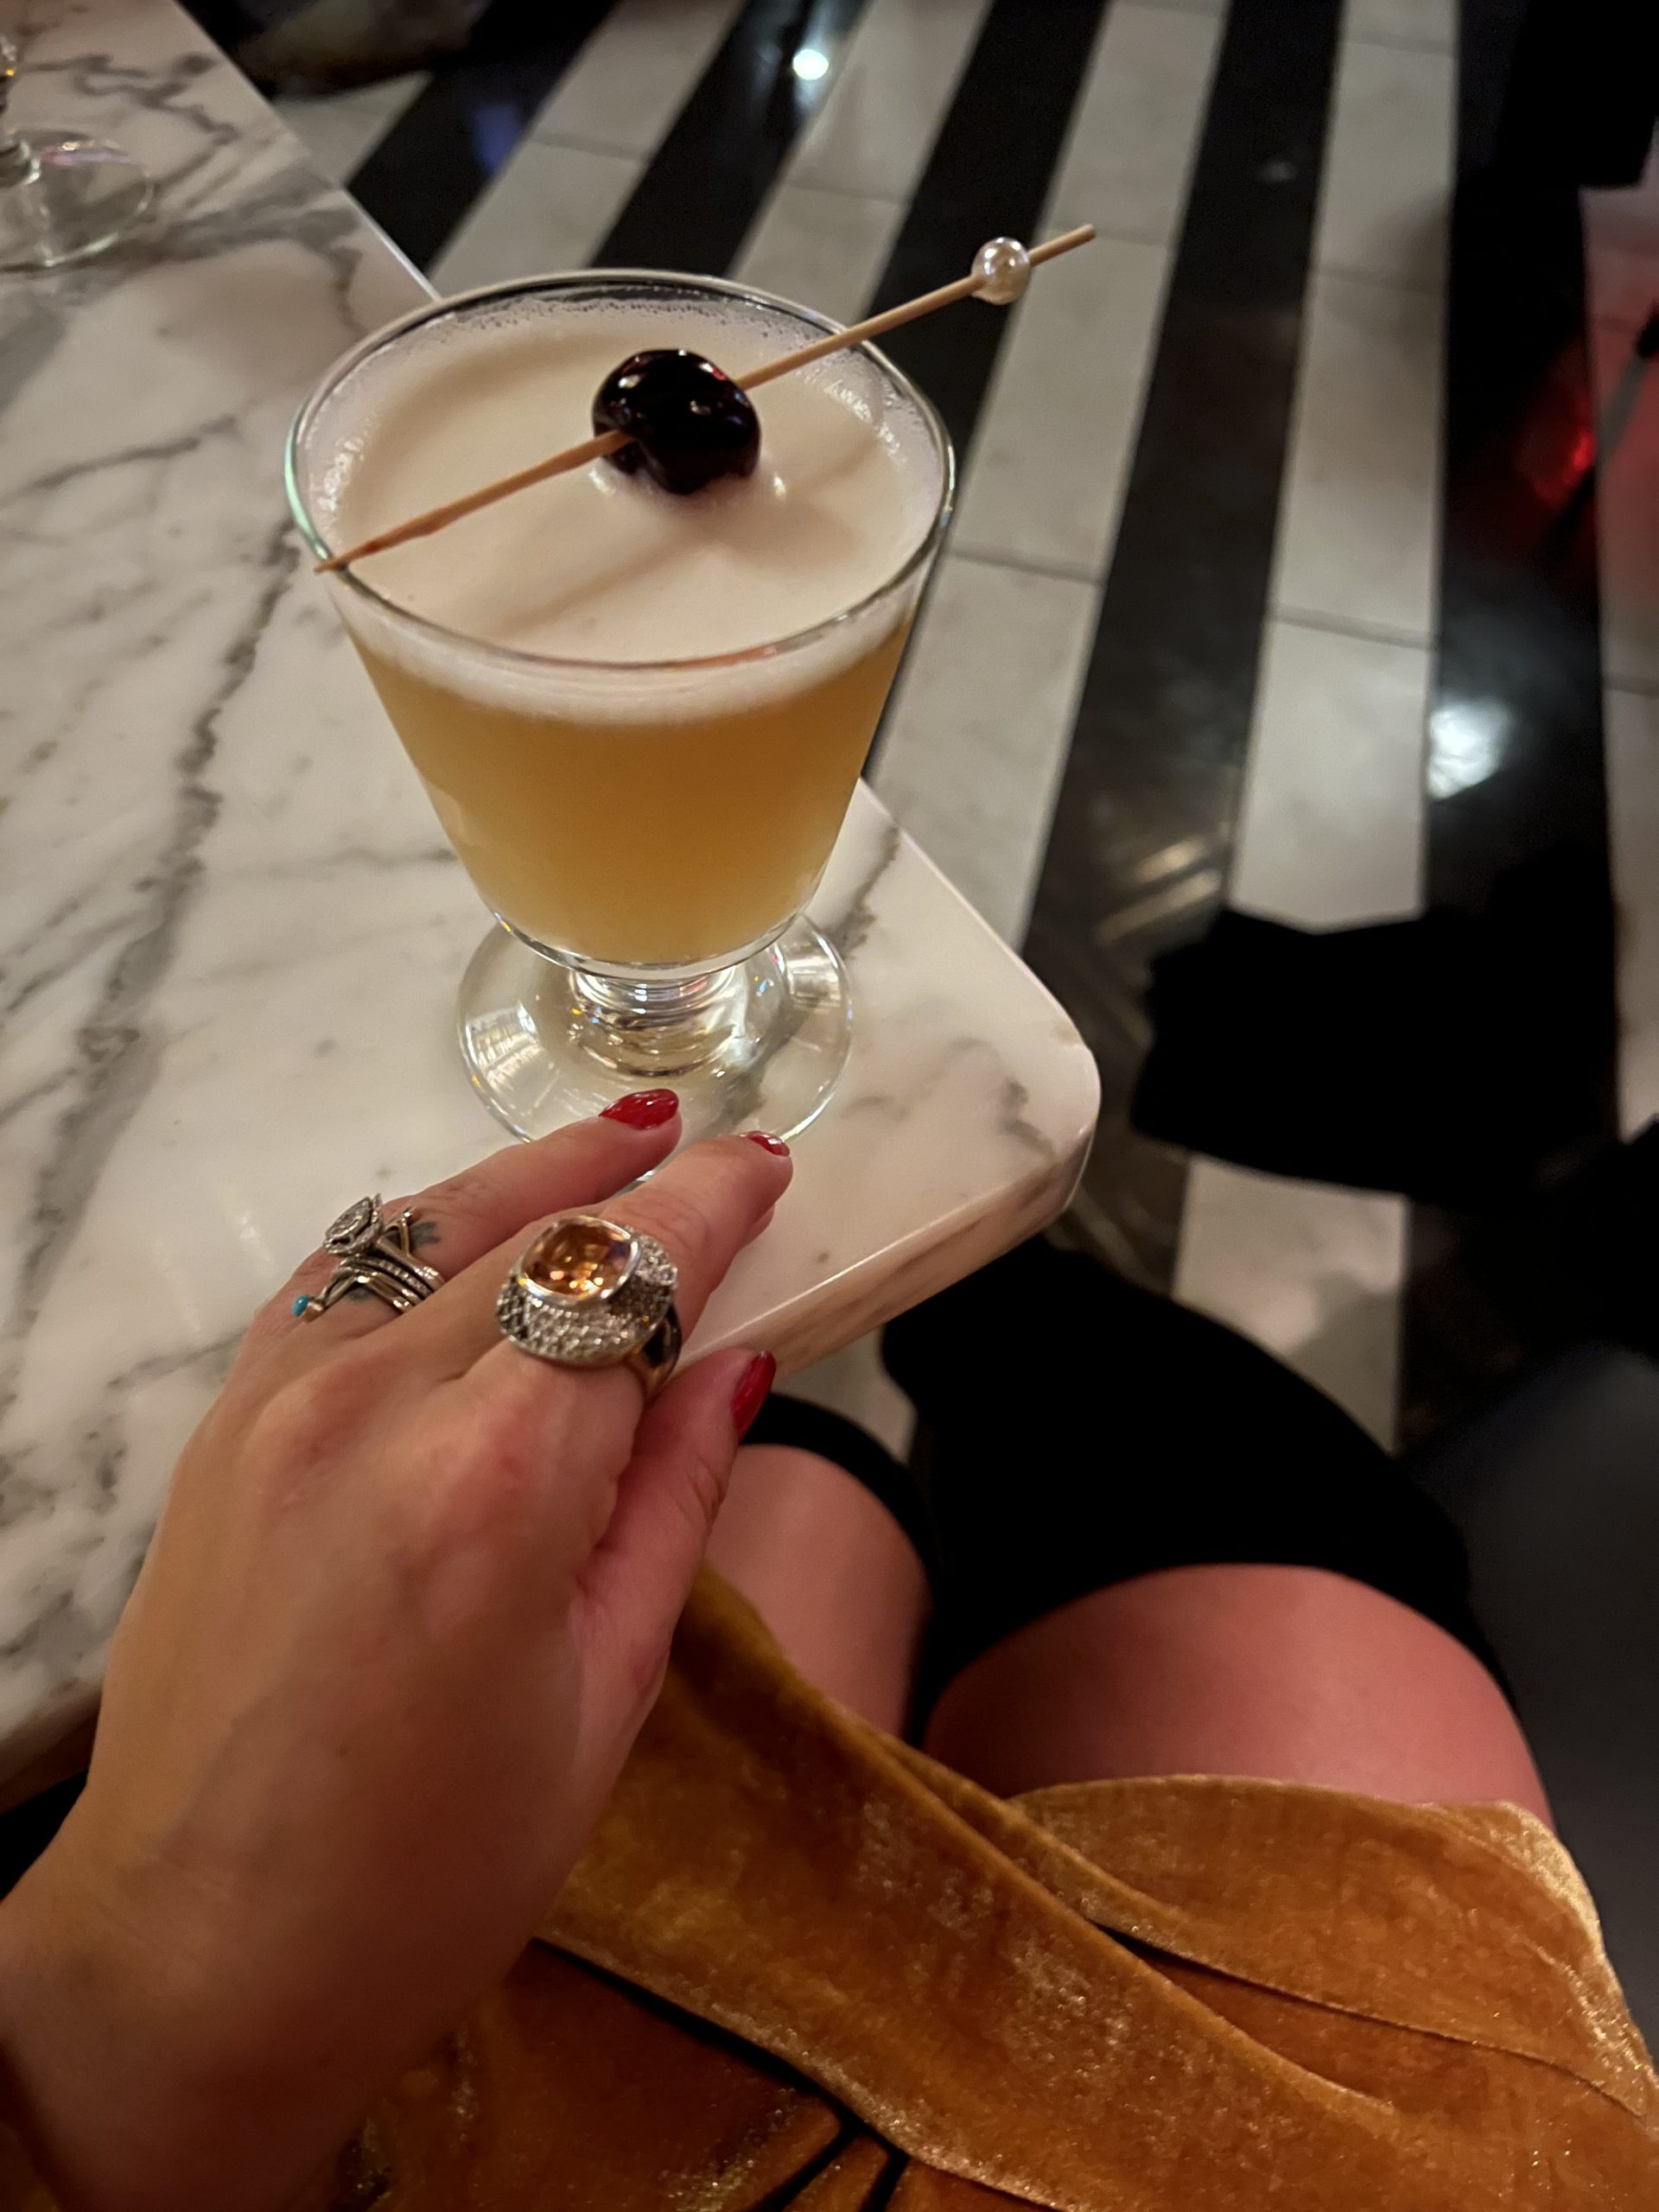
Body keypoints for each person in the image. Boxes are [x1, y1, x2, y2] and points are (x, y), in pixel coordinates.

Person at [0, 1097, 1651, 2210]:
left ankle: (956, 1308)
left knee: (770, 1480)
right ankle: (991, 1302)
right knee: (1180, 1438)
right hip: (1351, 2146)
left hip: (394, 2081)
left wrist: (126, 2040)